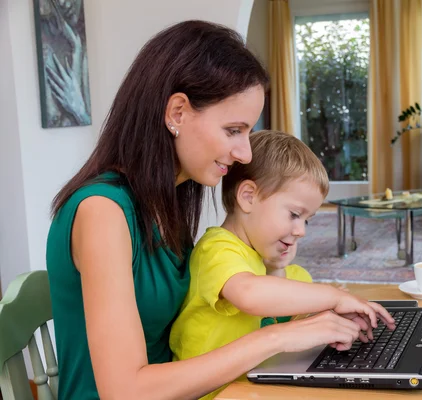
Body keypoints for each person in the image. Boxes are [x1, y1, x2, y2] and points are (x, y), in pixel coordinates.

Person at [46, 20, 393, 400]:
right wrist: (279, 337)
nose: (245, 152)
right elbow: (126, 390)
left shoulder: (168, 204)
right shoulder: (102, 212)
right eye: (233, 130)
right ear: (177, 113)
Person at [169, 130, 395, 399]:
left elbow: (296, 324)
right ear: (248, 197)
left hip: (257, 389)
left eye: (307, 220)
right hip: (210, 394)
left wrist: (335, 323)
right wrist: (334, 297)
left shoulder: (286, 273)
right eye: (294, 215)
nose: (301, 231)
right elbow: (249, 294)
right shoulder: (217, 248)